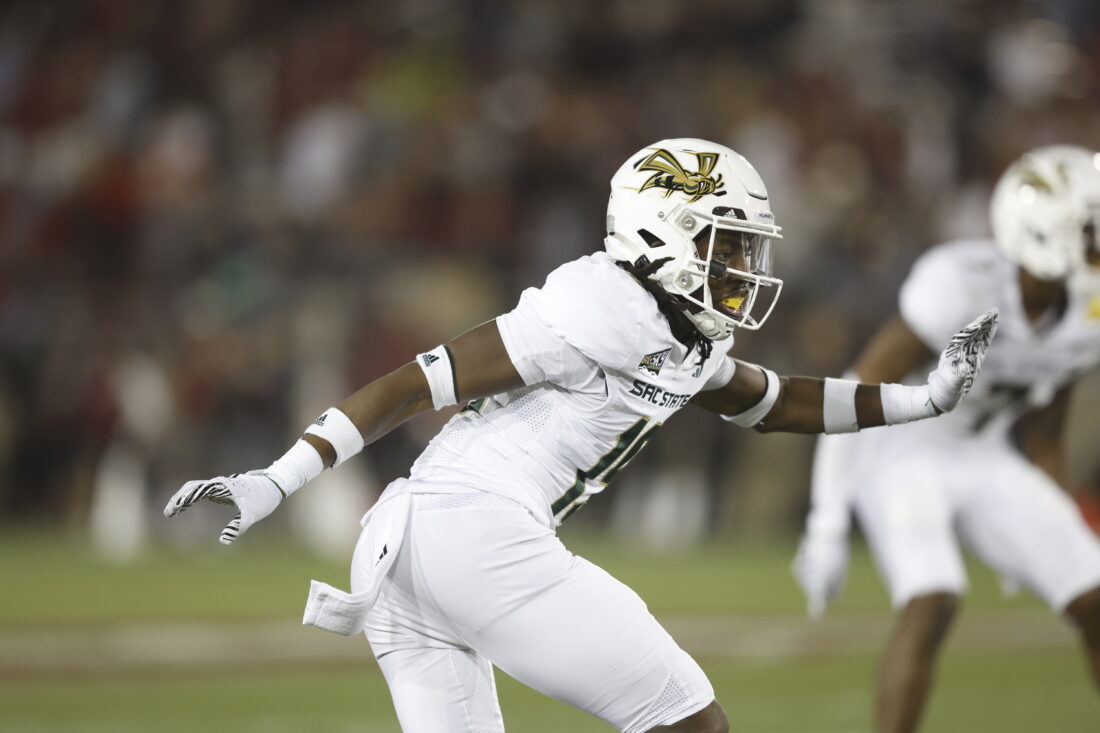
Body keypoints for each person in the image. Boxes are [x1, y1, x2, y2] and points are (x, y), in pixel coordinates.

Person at [165, 138, 997, 733]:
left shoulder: (680, 331)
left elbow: (776, 402)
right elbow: (416, 383)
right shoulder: (602, 303)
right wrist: (278, 477)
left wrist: (923, 399)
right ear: (663, 235)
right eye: (726, 242)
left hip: (407, 553)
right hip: (472, 530)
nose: (743, 264)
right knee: (691, 722)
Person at [793, 145, 1100, 733]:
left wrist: (1050, 516)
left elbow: (1046, 426)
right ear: (1040, 228)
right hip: (902, 453)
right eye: (1087, 229)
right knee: (933, 600)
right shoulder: (963, 283)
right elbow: (855, 389)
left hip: (984, 456)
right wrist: (826, 518)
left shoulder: (1086, 309)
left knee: (1094, 598)